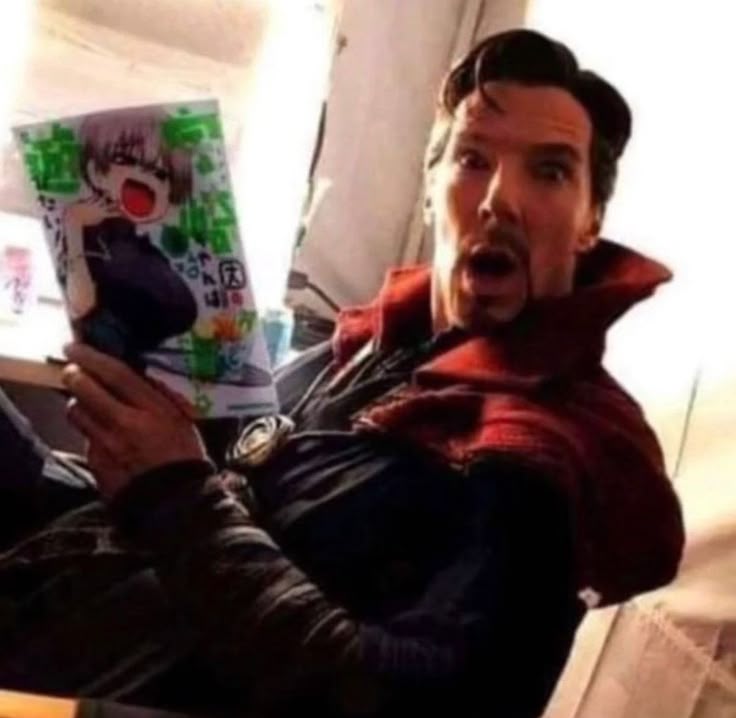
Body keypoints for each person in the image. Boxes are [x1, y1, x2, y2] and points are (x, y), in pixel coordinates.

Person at [0, 29, 683, 718]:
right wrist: (145, 455)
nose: (499, 200)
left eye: (550, 172)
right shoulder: (364, 349)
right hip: (79, 614)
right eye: (474, 159)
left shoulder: (544, 463)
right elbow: (179, 508)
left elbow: (401, 705)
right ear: (430, 189)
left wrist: (174, 494)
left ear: (590, 221)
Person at [63, 109, 198, 368]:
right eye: (124, 159)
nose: (143, 179)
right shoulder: (89, 236)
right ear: (95, 171)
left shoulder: (136, 244)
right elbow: (82, 305)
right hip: (111, 364)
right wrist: (73, 226)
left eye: (160, 174)